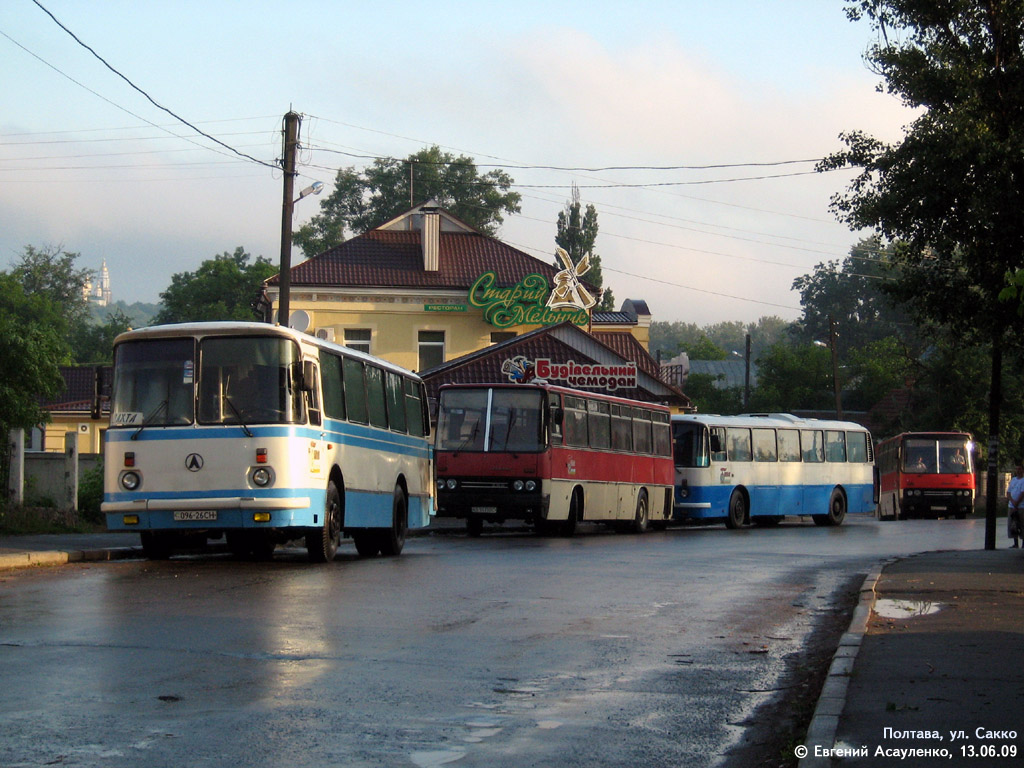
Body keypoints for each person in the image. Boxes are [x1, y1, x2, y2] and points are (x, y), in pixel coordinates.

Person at [1005, 463, 1024, 548]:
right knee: (1012, 524)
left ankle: (1023, 543)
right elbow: (1008, 492)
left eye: (1020, 469)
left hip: (1021, 506)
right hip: (1011, 506)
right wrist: (1012, 502)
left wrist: (1016, 503)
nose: (1018, 471)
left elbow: (1022, 493)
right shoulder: (1013, 480)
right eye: (1017, 469)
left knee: (1022, 524)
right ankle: (1015, 543)